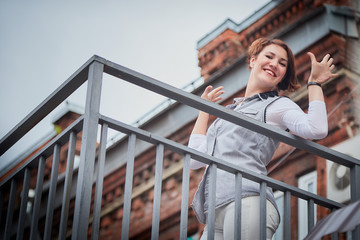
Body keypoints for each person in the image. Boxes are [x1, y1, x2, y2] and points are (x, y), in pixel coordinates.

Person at [188, 38, 338, 240]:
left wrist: (314, 84)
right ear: (253, 61)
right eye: (269, 56)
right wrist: (204, 111)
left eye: (282, 63)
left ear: (283, 74)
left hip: (247, 201)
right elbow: (195, 159)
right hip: (214, 214)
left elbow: (316, 129)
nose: (275, 64)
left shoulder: (276, 105)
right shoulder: (227, 115)